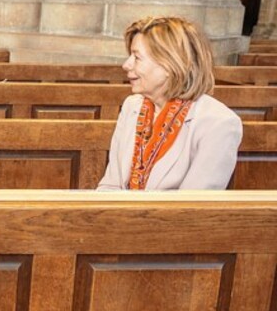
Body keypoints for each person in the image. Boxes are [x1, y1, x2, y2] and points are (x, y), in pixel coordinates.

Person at [97, 16, 242, 190]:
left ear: (169, 65)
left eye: (137, 57)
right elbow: (111, 184)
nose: (126, 65)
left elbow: (191, 208)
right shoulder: (132, 106)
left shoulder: (218, 123)